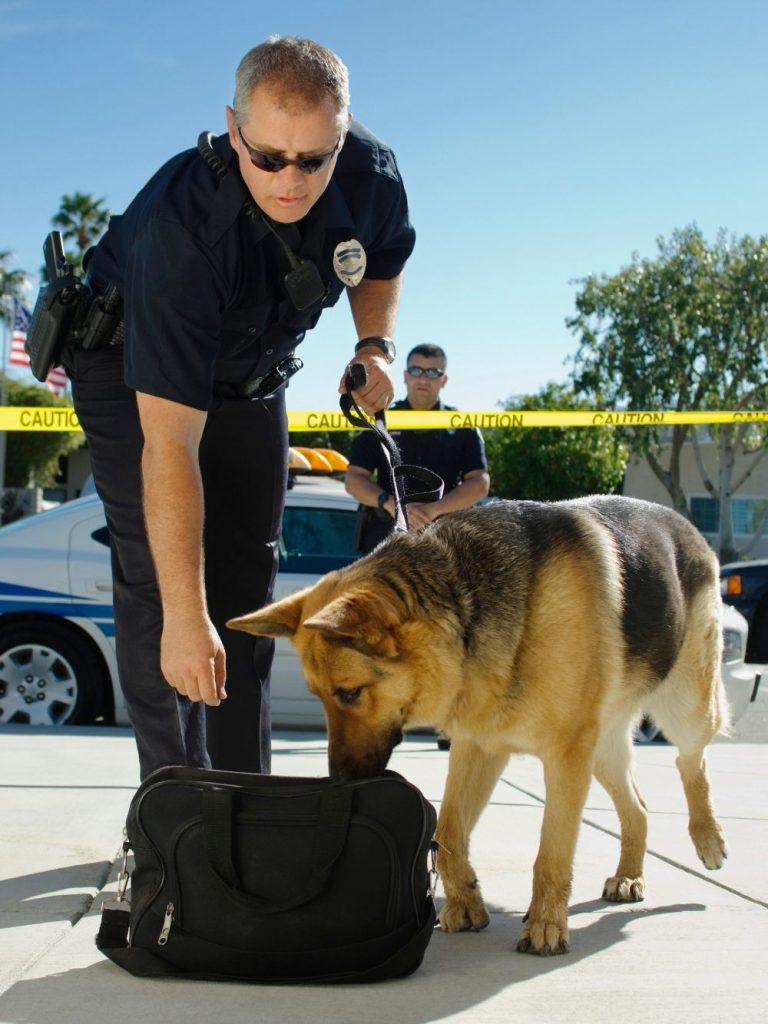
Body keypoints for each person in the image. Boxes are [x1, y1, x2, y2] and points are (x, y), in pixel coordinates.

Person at [63, 36, 415, 780]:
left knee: (246, 594)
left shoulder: (373, 177)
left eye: (313, 160)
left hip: (252, 366)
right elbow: (170, 449)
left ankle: (243, 798)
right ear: (233, 130)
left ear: (341, 136)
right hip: (132, 363)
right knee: (168, 597)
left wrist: (376, 345)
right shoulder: (183, 229)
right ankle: (175, 815)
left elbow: (381, 259)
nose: (291, 181)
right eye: (269, 158)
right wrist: (188, 621)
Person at [344, 344, 490, 553]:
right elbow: (354, 479)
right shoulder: (380, 421)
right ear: (404, 376)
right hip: (386, 542)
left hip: (445, 544)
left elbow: (480, 483)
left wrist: (432, 511)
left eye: (433, 372)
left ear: (444, 380)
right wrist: (393, 505)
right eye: (415, 370)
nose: (423, 379)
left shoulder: (461, 425)